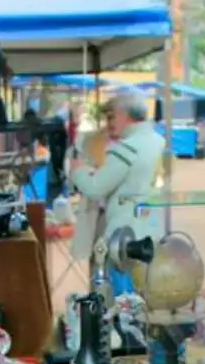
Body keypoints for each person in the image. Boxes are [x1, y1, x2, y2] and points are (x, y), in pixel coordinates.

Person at [69, 90, 166, 297]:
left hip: (123, 238)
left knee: (119, 302)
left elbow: (95, 188)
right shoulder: (158, 141)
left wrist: (77, 170)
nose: (109, 122)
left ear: (125, 115)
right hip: (150, 230)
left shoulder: (127, 149)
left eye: (112, 116)